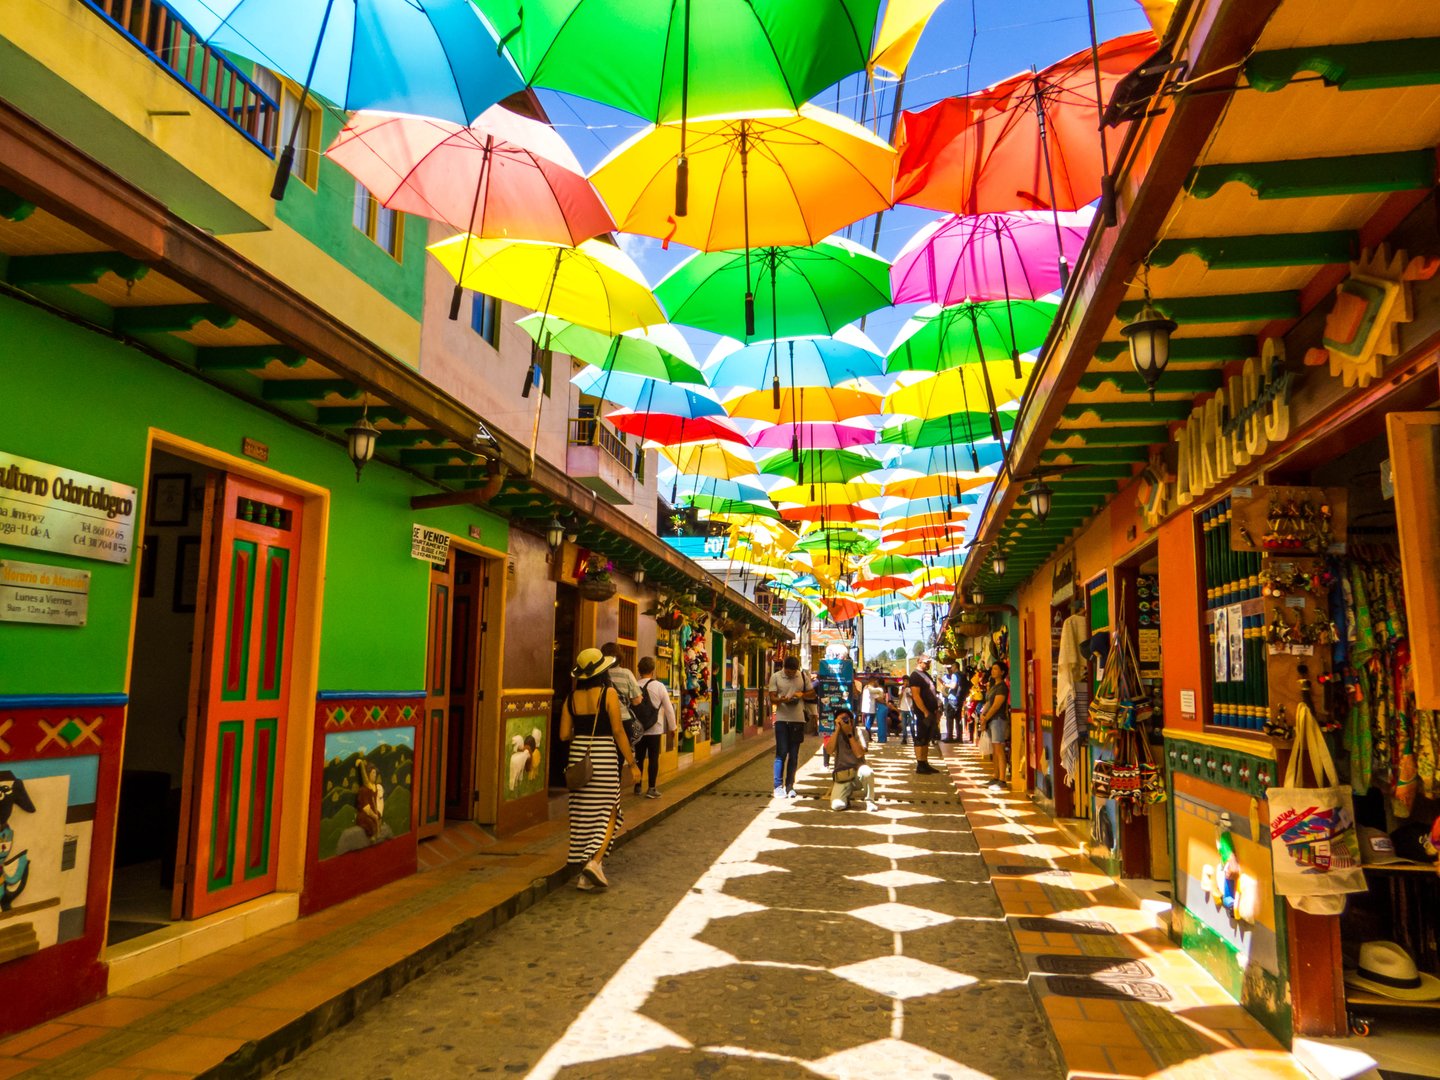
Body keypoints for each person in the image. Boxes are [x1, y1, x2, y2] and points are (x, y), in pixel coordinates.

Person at [560, 648, 642, 890]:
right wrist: (632, 763)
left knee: (584, 815)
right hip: (604, 756)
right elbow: (618, 731)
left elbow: (564, 734)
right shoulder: (608, 694)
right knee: (610, 812)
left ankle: (586, 877)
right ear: (602, 671)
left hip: (579, 757)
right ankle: (594, 863)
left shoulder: (570, 698)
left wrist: (583, 733)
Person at [601, 643, 644, 792]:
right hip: (623, 720)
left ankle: (603, 790)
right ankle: (614, 793)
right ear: (620, 657)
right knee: (618, 759)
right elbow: (637, 700)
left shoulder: (600, 674)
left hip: (603, 720)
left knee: (603, 758)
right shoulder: (626, 673)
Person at [767, 654, 812, 798]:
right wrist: (781, 700)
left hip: (798, 720)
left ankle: (790, 785)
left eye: (793, 672)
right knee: (781, 753)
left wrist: (801, 695)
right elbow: (772, 697)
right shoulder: (776, 677)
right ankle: (777, 786)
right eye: (788, 672)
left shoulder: (803, 676)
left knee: (794, 755)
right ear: (784, 668)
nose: (791, 674)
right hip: (781, 719)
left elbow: (812, 694)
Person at [633, 656, 675, 799]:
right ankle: (651, 788)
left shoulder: (634, 685)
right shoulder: (659, 686)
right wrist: (673, 727)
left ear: (639, 670)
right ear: (652, 670)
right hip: (655, 729)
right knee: (653, 758)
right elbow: (669, 708)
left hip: (638, 729)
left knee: (638, 758)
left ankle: (637, 786)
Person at [828, 708, 877, 812]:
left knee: (868, 772)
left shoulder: (859, 732)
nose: (843, 722)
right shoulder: (835, 734)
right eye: (840, 720)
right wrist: (837, 730)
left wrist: (849, 734)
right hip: (842, 776)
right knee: (837, 806)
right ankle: (845, 798)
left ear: (852, 720)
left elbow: (859, 754)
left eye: (846, 719)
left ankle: (870, 801)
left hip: (857, 773)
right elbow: (829, 750)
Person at [979, 660, 1012, 790]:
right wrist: (983, 716)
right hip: (991, 720)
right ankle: (996, 776)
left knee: (999, 749)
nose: (993, 671)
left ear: (1002, 672)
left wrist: (986, 717)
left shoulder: (1002, 687)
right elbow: (988, 703)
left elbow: (996, 705)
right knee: (995, 749)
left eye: (996, 669)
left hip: (998, 719)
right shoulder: (993, 686)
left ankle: (1002, 779)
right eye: (992, 669)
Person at [907, 654, 942, 775]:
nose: (928, 664)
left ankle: (925, 762)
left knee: (927, 737)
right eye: (926, 662)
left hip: (931, 711)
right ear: (919, 661)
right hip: (923, 713)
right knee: (921, 738)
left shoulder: (926, 675)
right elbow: (916, 696)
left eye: (929, 662)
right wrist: (925, 711)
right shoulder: (915, 676)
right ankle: (920, 764)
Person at [941, 663, 962, 742]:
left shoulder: (954, 675)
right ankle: (959, 737)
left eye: (952, 667)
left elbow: (953, 686)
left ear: (955, 667)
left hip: (952, 698)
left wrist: (946, 684)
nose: (950, 669)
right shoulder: (962, 674)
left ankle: (949, 737)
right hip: (959, 698)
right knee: (958, 719)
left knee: (949, 718)